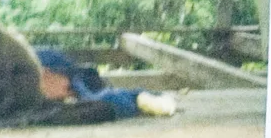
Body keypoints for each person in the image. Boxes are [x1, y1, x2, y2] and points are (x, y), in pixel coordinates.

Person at [35, 47, 179, 118]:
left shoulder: (74, 86)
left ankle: (141, 97)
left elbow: (104, 102)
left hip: (65, 73)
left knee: (102, 101)